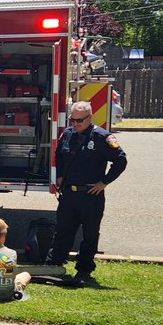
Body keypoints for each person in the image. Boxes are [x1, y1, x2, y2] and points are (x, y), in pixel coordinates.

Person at [43, 99, 127, 286]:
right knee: (63, 231)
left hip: (91, 195)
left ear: (90, 117)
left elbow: (120, 160)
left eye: (79, 120)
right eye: (73, 120)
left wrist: (104, 182)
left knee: (90, 235)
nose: (75, 123)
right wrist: (60, 176)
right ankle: (53, 264)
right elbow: (58, 154)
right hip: (69, 194)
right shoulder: (68, 134)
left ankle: (84, 269)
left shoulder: (101, 137)